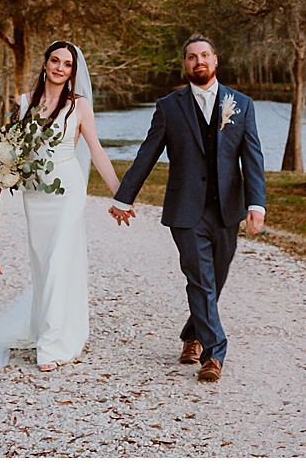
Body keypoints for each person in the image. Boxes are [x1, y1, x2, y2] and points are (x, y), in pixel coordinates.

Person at [0, 40, 124, 373]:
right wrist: (2, 172)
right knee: (42, 261)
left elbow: (96, 151)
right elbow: (12, 147)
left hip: (67, 189)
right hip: (36, 194)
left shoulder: (79, 106)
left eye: (67, 65)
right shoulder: (23, 104)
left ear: (72, 72)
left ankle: (51, 346)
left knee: (56, 259)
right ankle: (45, 327)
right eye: (55, 61)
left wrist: (119, 193)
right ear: (45, 64)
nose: (60, 68)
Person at [109, 34, 266, 383]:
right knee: (200, 279)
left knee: (215, 279)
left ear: (215, 60)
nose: (199, 62)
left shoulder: (241, 104)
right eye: (192, 57)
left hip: (227, 209)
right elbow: (147, 153)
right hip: (185, 210)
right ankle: (215, 354)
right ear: (185, 65)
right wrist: (124, 197)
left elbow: (252, 157)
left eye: (205, 55)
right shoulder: (169, 106)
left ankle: (192, 335)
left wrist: (256, 203)